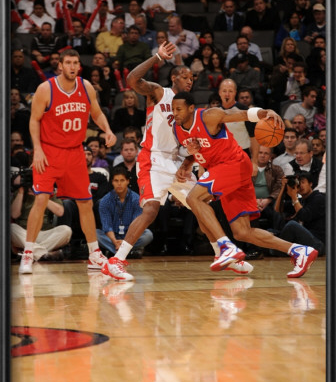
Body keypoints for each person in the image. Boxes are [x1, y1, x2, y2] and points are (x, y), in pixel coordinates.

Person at [102, 42, 253, 281]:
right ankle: (116, 260)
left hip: (177, 161)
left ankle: (222, 254)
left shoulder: (191, 110)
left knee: (201, 206)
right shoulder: (159, 93)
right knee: (151, 209)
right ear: (173, 78)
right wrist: (156, 57)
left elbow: (195, 142)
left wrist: (188, 161)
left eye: (192, 78)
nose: (189, 80)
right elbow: (131, 79)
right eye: (184, 76)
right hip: (153, 157)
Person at [171, 90, 318, 278]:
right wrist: (186, 163)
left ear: (191, 108)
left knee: (194, 198)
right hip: (227, 171)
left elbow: (240, 115)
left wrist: (265, 113)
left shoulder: (209, 116)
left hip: (232, 164)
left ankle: (225, 247)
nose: (175, 113)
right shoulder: (178, 129)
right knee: (242, 232)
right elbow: (197, 150)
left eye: (179, 109)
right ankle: (299, 251)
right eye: (173, 109)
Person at [18, 48, 117, 274]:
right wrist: (38, 150)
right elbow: (34, 121)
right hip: (50, 152)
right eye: (68, 63)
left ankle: (94, 254)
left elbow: (97, 113)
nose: (72, 67)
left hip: (74, 153)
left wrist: (108, 130)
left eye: (76, 63)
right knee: (41, 199)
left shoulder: (86, 87)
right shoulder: (46, 89)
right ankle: (28, 253)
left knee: (85, 202)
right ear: (60, 65)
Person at [57, 144, 110, 246]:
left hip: (93, 207)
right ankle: (63, 242)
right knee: (66, 203)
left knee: (101, 202)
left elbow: (100, 195)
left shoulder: (100, 177)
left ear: (92, 156)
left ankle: (101, 238)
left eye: (89, 154)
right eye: (82, 154)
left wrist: (87, 203)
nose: (86, 157)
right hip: (75, 207)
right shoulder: (71, 176)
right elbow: (68, 194)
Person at [11, 173, 72, 261]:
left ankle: (30, 252)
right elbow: (14, 214)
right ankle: (44, 254)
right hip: (24, 233)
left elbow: (60, 212)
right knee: (11, 228)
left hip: (45, 233)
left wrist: (40, 196)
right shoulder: (20, 192)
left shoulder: (48, 192)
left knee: (66, 230)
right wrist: (21, 192)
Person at [97, 166, 153, 259]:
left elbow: (136, 225)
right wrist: (115, 241)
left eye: (122, 180)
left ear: (128, 181)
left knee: (148, 235)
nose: (119, 184)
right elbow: (107, 226)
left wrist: (125, 242)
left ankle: (115, 251)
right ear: (112, 182)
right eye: (116, 180)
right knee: (96, 234)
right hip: (113, 236)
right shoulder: (105, 201)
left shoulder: (136, 199)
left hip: (131, 235)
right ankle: (128, 251)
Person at [273, 171, 326, 257]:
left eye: (303, 182)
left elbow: (304, 216)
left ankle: (277, 251)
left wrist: (294, 196)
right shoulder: (301, 201)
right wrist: (283, 188)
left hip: (317, 244)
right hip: (303, 242)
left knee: (292, 225)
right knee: (271, 232)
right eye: (298, 183)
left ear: (311, 184)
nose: (300, 186)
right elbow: (278, 209)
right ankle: (276, 250)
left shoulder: (319, 198)